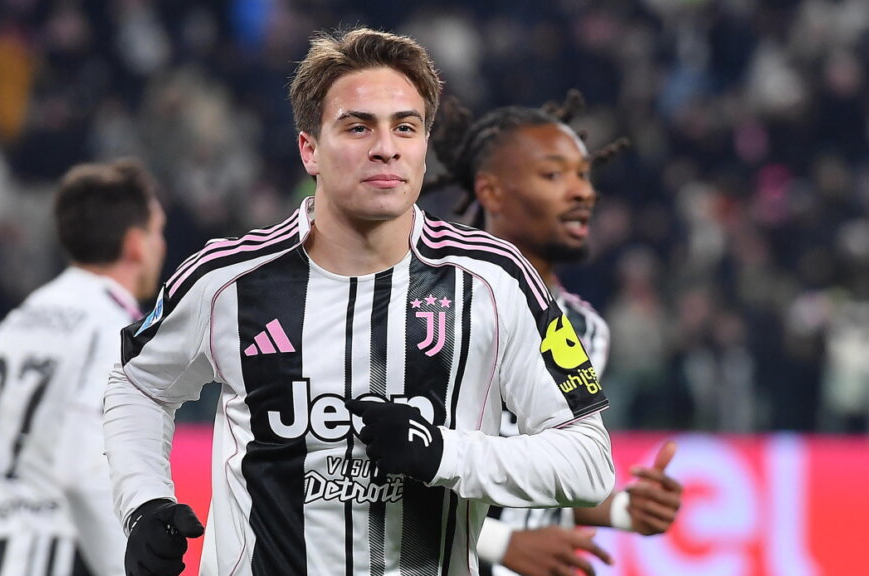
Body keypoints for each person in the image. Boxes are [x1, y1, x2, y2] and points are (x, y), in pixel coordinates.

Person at [103, 27, 614, 576]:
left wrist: (443, 453)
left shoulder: (497, 280)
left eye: (405, 127)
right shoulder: (226, 278)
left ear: (423, 148)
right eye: (358, 127)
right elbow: (137, 384)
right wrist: (144, 502)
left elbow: (589, 463)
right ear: (310, 149)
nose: (385, 147)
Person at [426, 91, 683, 576]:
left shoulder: (585, 328)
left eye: (583, 175)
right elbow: (387, 462)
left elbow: (543, 476)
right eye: (553, 175)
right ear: (492, 193)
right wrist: (501, 543)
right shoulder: (434, 305)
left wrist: (623, 510)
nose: (583, 192)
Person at [0, 158, 167, 576]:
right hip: (54, 558)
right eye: (158, 231)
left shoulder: (17, 321)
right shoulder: (114, 330)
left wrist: (12, 516)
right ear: (135, 245)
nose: (162, 245)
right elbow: (81, 473)